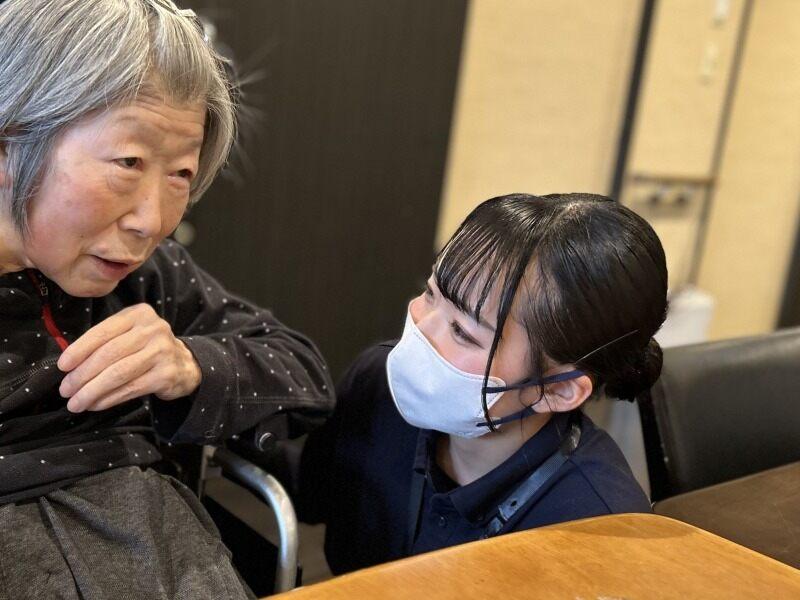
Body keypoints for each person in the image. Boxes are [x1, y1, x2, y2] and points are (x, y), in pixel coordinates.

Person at [0, 0, 334, 597]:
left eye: (180, 174)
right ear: (7, 146)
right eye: (127, 163)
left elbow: (304, 373)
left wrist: (191, 367)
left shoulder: (140, 277)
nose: (152, 221)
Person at [295, 193, 668, 574]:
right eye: (430, 294)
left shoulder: (596, 529)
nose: (421, 330)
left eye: (462, 332)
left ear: (557, 389)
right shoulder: (376, 385)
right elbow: (307, 502)